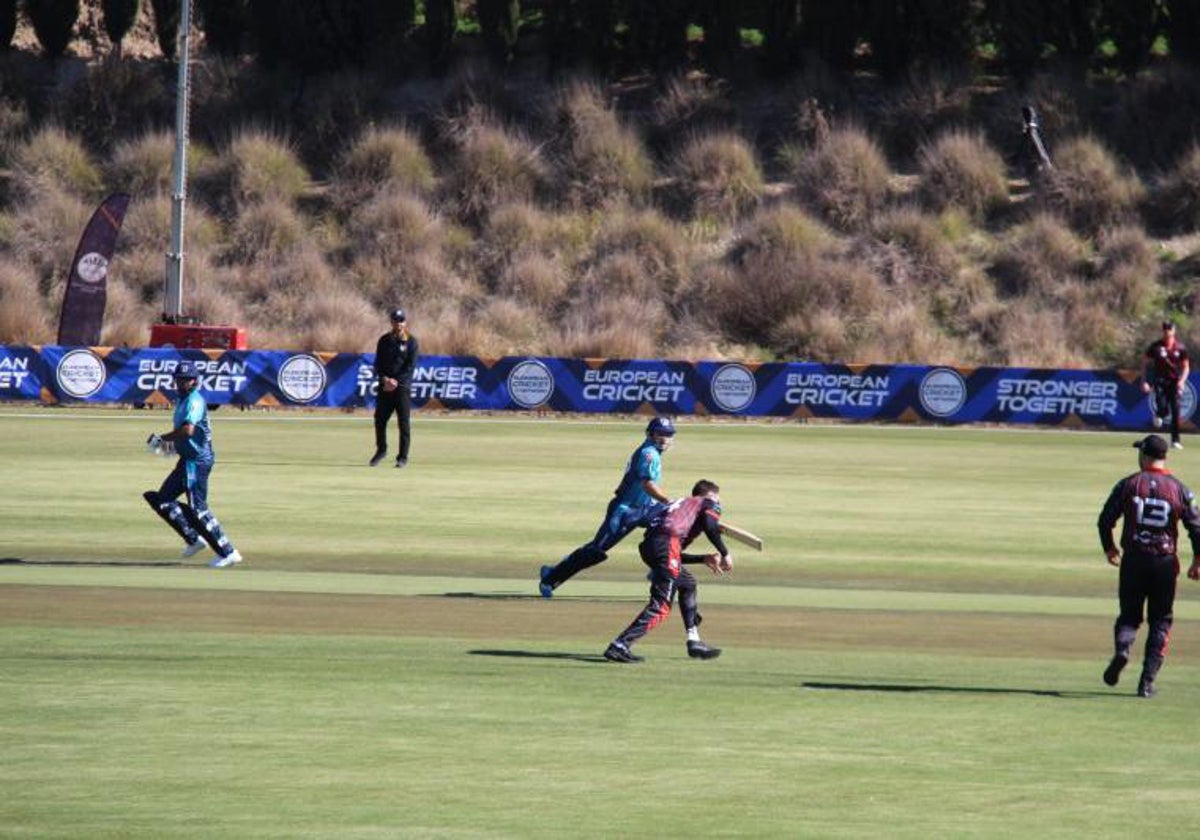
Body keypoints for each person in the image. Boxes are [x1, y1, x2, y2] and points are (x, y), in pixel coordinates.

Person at [1097, 434, 1200, 697]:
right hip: (1165, 563)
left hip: (1134, 560)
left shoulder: (1129, 484)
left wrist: (1110, 548)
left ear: (1143, 455)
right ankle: (1146, 683)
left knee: (1129, 617)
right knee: (1161, 622)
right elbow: (1197, 529)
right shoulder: (1180, 489)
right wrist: (1197, 561)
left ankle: (1122, 650)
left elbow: (1104, 520)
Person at [539, 416, 676, 597]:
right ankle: (551, 577)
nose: (665, 439)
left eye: (668, 434)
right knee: (596, 551)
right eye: (661, 434)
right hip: (626, 510)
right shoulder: (648, 453)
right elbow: (647, 484)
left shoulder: (653, 453)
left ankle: (659, 570)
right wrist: (667, 500)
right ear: (650, 434)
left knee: (675, 524)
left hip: (647, 507)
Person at [604, 479, 732, 663]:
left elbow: (671, 553)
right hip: (665, 545)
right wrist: (724, 553)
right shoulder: (707, 502)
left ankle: (693, 640)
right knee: (662, 606)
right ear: (709, 495)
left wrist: (702, 558)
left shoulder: (676, 505)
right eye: (717, 499)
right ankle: (620, 645)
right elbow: (710, 526)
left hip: (651, 546)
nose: (718, 503)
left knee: (688, 583)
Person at [143, 361, 243, 569]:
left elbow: (188, 431)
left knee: (198, 509)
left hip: (197, 462)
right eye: (178, 379)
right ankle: (194, 539)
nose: (180, 382)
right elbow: (185, 437)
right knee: (161, 500)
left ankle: (229, 552)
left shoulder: (194, 401)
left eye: (185, 379)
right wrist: (167, 449)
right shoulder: (182, 400)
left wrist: (162, 439)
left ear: (194, 381)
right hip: (186, 459)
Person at [371, 308, 419, 468]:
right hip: (385, 387)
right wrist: (385, 379)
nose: (399, 324)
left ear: (405, 322)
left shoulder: (411, 342)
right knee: (379, 420)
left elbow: (410, 368)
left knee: (403, 424)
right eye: (396, 320)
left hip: (402, 389)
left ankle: (402, 457)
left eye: (401, 320)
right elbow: (378, 364)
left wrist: (395, 381)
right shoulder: (384, 340)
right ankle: (381, 450)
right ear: (391, 322)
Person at [1141, 320, 1190, 450]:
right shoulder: (1156, 347)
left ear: (1174, 331)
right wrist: (1144, 380)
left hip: (1174, 382)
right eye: (1165, 330)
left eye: (1169, 330)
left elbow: (1186, 367)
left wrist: (1182, 381)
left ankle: (1175, 440)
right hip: (1160, 381)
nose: (1167, 333)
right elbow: (1144, 362)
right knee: (1163, 407)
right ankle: (1159, 413)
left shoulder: (1180, 348)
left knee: (1176, 409)